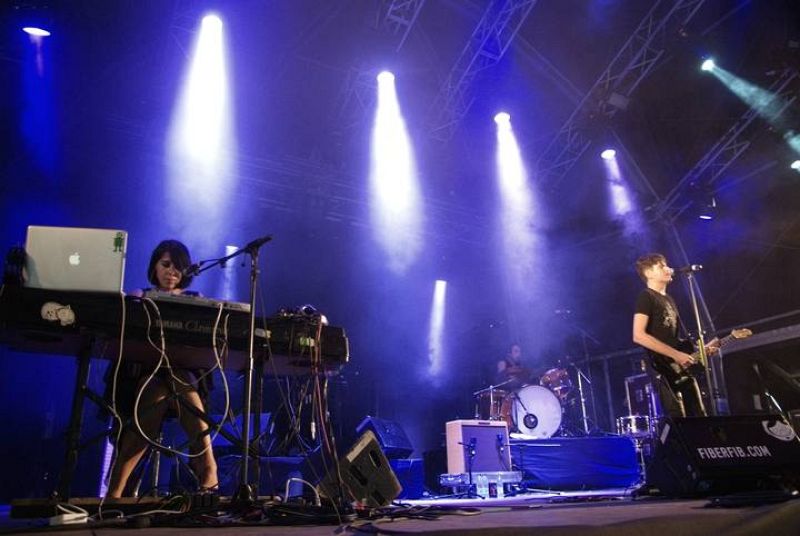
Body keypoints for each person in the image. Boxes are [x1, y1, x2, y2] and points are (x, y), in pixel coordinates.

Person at [105, 239, 218, 497]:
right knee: (160, 385)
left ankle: (115, 490)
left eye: (178, 267)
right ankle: (209, 470)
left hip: (184, 375)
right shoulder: (139, 296)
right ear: (154, 266)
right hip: (142, 376)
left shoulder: (196, 300)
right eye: (166, 264)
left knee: (175, 379)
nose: (171, 272)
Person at [631, 253, 719, 418]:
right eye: (661, 266)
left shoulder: (669, 300)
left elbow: (675, 340)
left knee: (699, 414)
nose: (668, 269)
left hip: (679, 366)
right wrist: (675, 354)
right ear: (649, 273)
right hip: (661, 367)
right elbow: (638, 335)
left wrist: (700, 350)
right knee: (678, 417)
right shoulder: (646, 296)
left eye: (666, 265)